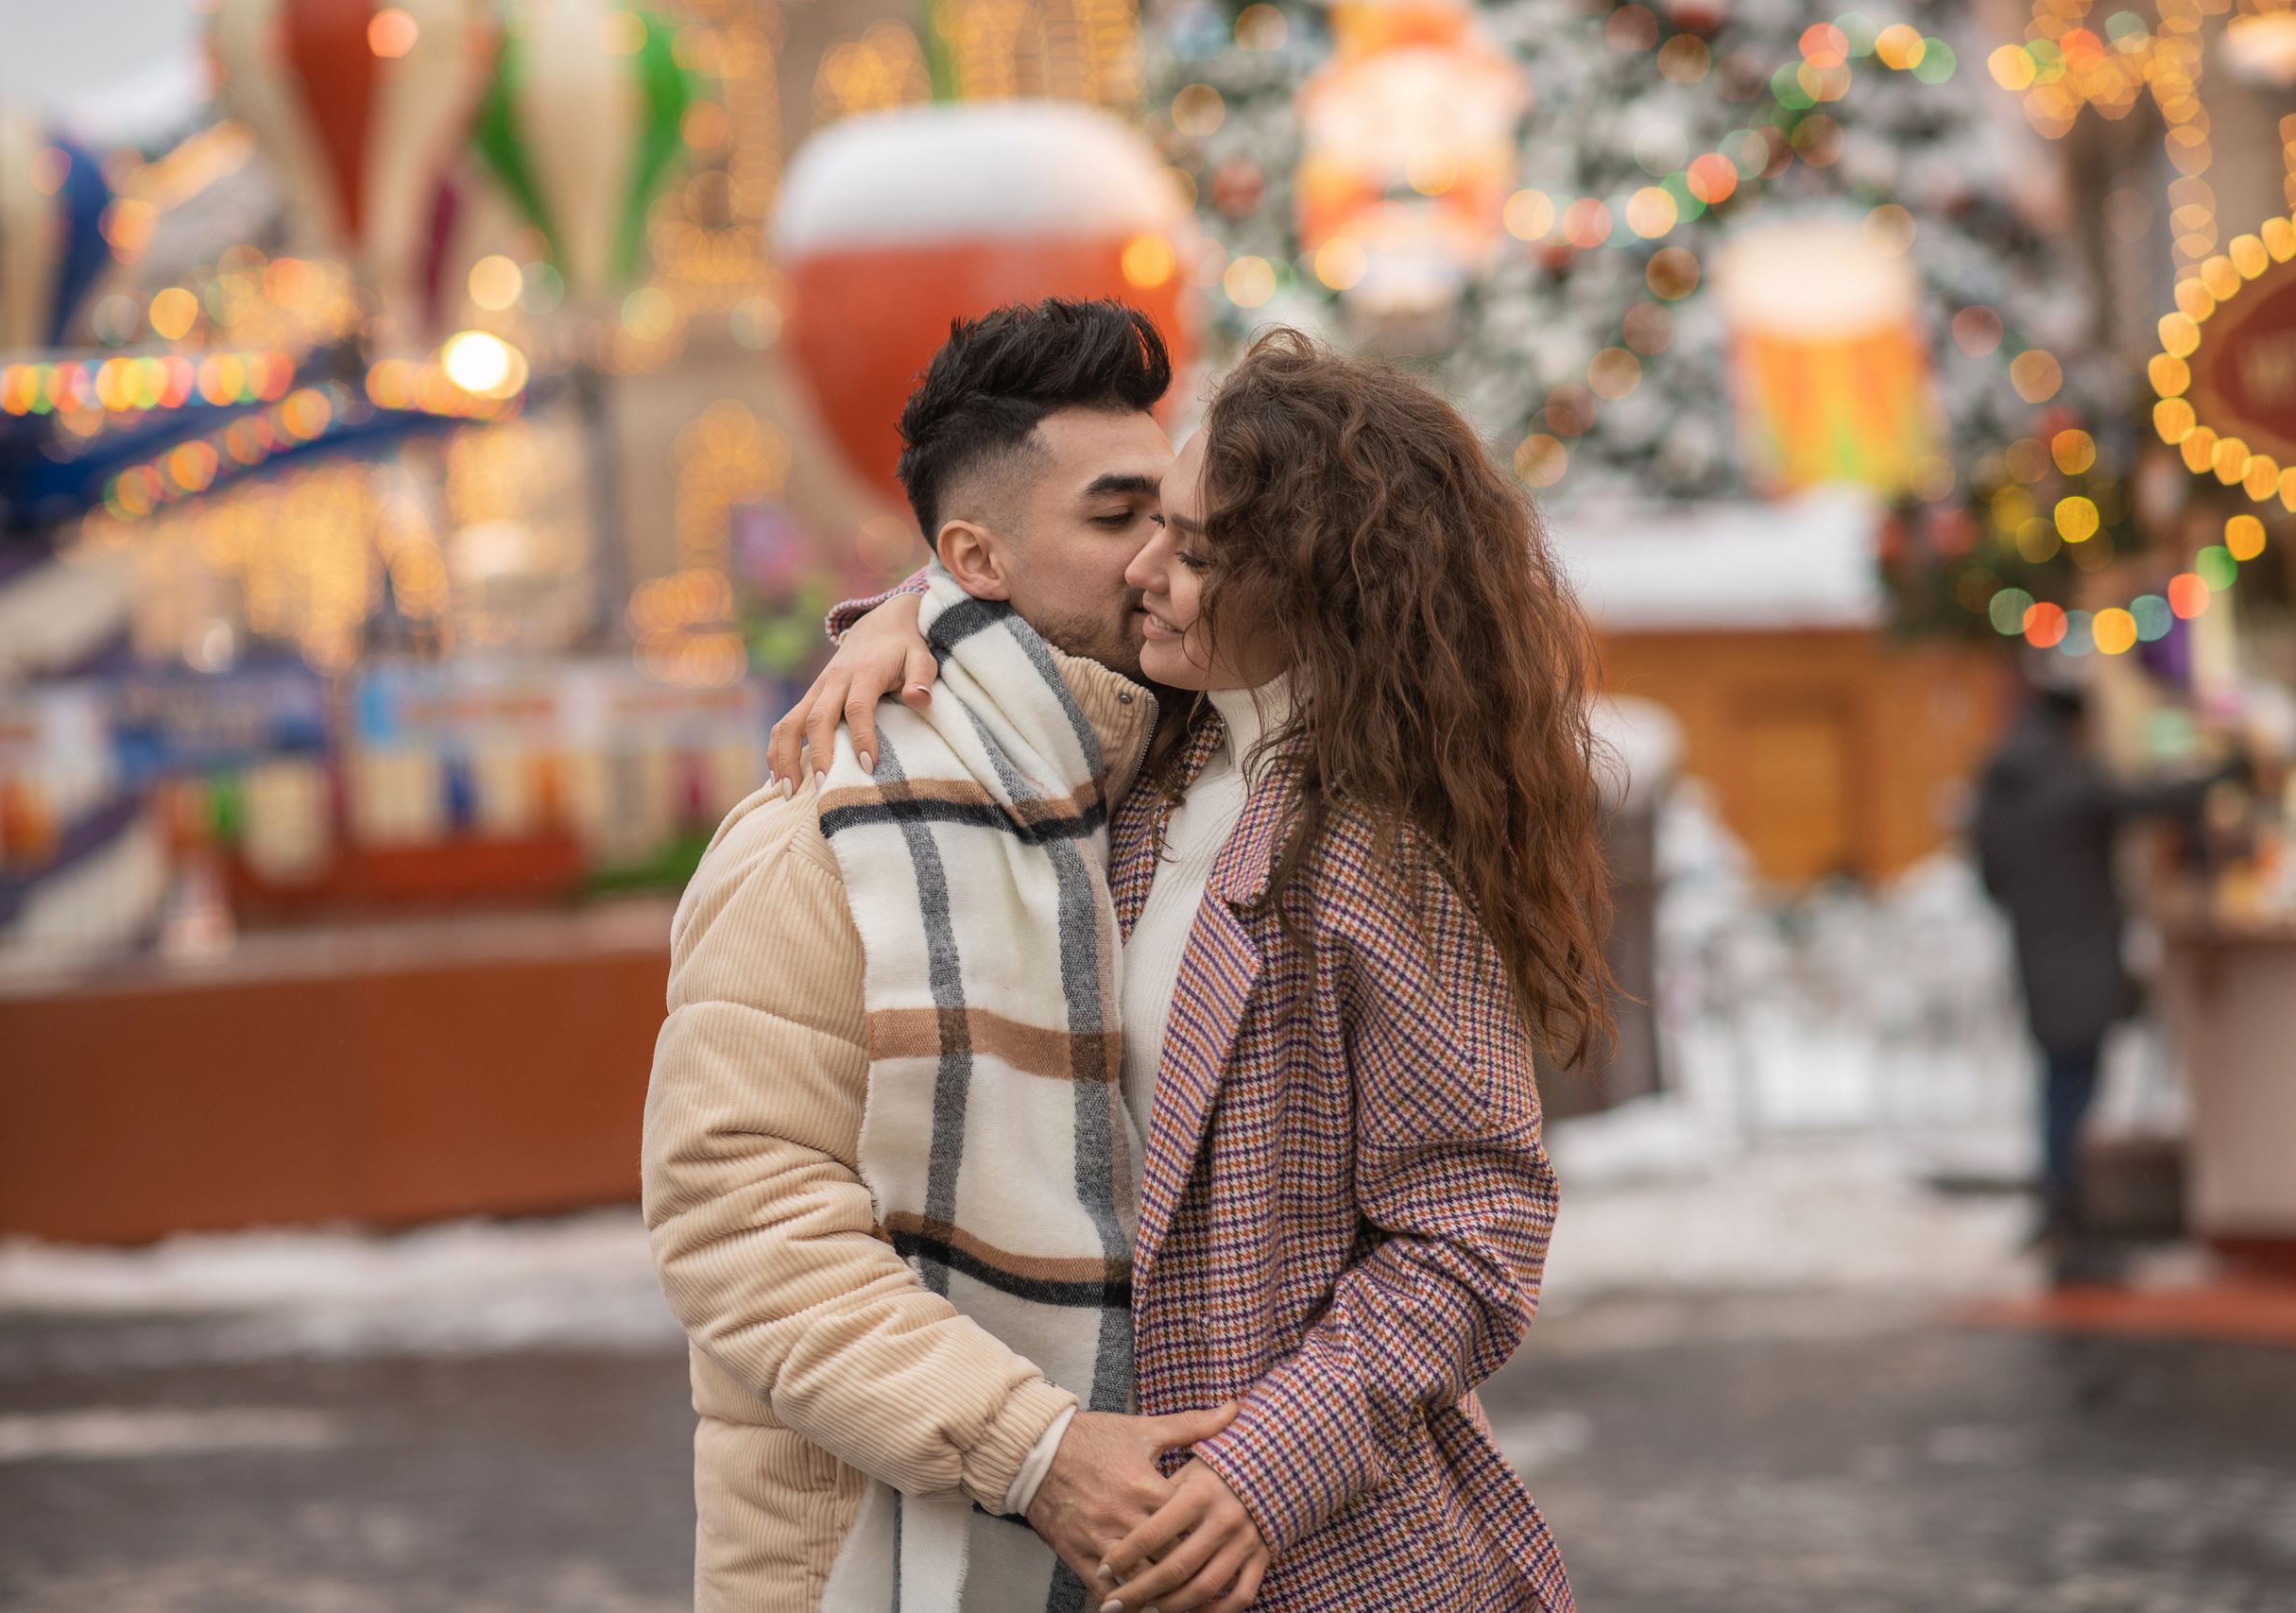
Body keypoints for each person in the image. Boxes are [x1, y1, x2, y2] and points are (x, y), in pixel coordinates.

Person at [788, 329, 1610, 1611]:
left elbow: (1472, 1227)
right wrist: (904, 614)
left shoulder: (1374, 849)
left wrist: (1266, 1468)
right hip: (1109, 1530)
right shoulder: (1148, 754)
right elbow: (1006, 555)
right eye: (1154, 522)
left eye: (1202, 549)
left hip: (1330, 1549)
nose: (1149, 573)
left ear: (1319, 580)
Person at [642, 299, 1242, 1613]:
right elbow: (738, 1215)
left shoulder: (1191, 791)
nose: (1162, 558)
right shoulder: (826, 826)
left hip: (1168, 1543)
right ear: (976, 551)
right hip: (872, 1557)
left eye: (1180, 516)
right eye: (1116, 514)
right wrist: (1033, 1446)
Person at [1972, 680, 2220, 1287]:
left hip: (2036, 951)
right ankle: (2068, 1218)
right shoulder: (2065, 777)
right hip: (2079, 949)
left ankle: (2060, 1209)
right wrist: (2220, 776)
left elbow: (1991, 879)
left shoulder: (2003, 781)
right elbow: (2141, 800)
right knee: (2075, 1085)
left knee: (2060, 1081)